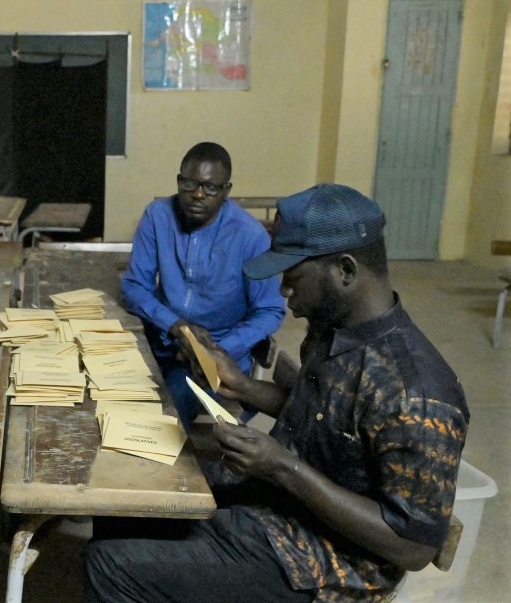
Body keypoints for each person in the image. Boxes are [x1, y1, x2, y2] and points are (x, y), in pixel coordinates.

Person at [86, 184, 470, 603]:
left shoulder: (418, 392)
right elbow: (327, 417)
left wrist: (283, 467)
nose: (284, 288)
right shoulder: (332, 330)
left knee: (111, 565)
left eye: (293, 272)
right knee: (125, 498)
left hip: (327, 564)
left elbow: (412, 546)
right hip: (276, 504)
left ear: (344, 269)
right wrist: (243, 386)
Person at [120, 141, 285, 427]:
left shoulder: (250, 236)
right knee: (109, 391)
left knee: (160, 419)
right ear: (178, 181)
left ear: (226, 191)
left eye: (210, 188)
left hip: (217, 359)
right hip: (161, 341)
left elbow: (270, 310)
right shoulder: (158, 215)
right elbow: (135, 286)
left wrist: (214, 352)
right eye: (189, 184)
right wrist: (177, 326)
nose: (197, 195)